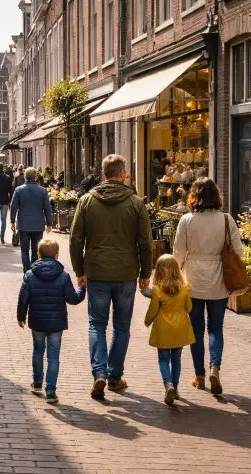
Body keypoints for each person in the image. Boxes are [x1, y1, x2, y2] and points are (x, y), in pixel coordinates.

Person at [69, 154, 152, 399]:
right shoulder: (136, 203)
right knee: (122, 326)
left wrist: (79, 271)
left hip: (97, 272)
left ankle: (100, 373)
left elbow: (75, 239)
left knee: (96, 324)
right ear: (123, 172)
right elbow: (145, 242)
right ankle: (114, 376)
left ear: (103, 173)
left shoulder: (86, 201)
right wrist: (146, 272)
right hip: (126, 272)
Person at [173, 177, 243, 395]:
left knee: (195, 330)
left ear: (194, 196)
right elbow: (238, 251)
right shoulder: (226, 219)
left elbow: (178, 252)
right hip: (219, 280)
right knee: (215, 328)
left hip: (193, 279)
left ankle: (199, 375)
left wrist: (178, 274)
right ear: (216, 195)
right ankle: (215, 367)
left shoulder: (187, 220)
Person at [17, 239, 86, 404]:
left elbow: (23, 299)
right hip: (56, 323)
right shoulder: (63, 276)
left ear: (38, 254)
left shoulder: (29, 275)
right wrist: (82, 289)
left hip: (37, 321)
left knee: (38, 350)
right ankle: (51, 391)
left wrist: (21, 316)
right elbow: (73, 299)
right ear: (56, 255)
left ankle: (37, 382)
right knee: (53, 356)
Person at [144, 254, 195, 405]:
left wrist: (147, 321)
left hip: (163, 328)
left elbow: (153, 310)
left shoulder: (158, 290)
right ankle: (176, 387)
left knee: (163, 359)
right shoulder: (185, 288)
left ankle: (168, 384)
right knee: (176, 358)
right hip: (180, 328)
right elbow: (189, 308)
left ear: (159, 271)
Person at [10, 167, 54, 272]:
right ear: (36, 177)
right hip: (38, 225)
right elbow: (48, 208)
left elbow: (13, 207)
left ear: (25, 176)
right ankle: (34, 270)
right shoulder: (42, 190)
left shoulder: (19, 190)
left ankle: (26, 270)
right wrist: (49, 223)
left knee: (24, 250)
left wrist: (12, 221)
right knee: (36, 250)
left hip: (23, 224)